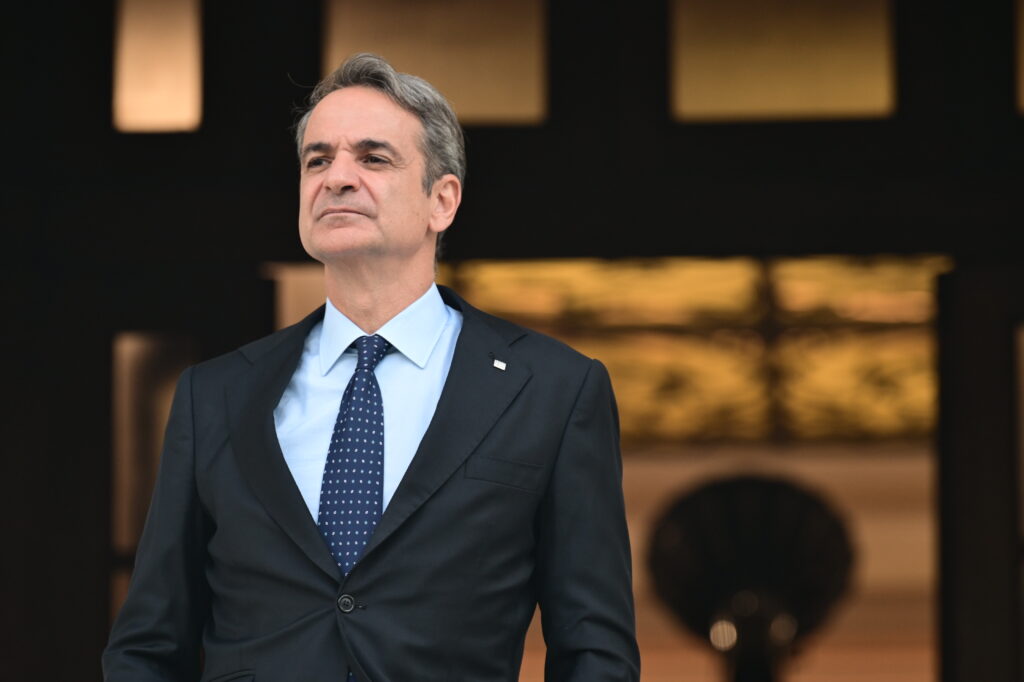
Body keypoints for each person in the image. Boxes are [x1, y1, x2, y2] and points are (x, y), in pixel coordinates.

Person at [103, 53, 640, 682]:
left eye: (373, 158)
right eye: (317, 160)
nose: (337, 177)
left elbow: (595, 651)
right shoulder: (214, 395)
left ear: (442, 201)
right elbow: (147, 646)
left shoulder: (553, 390)